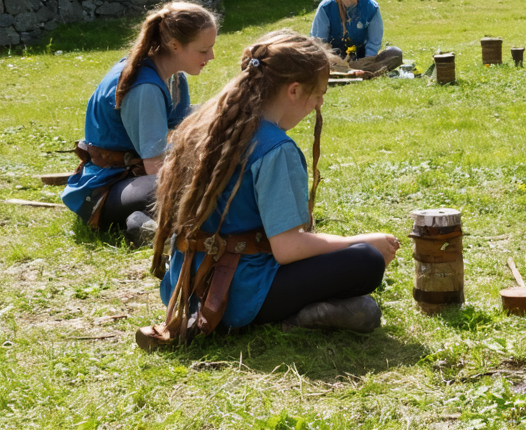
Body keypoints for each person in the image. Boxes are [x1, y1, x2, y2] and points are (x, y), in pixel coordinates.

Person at [137, 30, 400, 350]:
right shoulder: (276, 149)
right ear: (294, 90)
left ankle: (321, 311)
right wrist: (362, 241)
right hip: (235, 297)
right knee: (366, 261)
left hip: (188, 287)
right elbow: (287, 248)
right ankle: (300, 316)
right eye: (318, 94)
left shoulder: (205, 125)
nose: (319, 103)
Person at [62, 0, 218, 246]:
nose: (211, 56)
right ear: (174, 45)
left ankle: (142, 223)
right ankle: (143, 224)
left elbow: (182, 129)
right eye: (203, 50)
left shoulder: (173, 76)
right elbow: (155, 166)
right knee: (201, 184)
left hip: (135, 180)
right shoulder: (145, 88)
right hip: (107, 190)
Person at [311, 0, 402, 75]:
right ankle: (345, 71)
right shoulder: (326, 7)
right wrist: (333, 60)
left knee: (395, 54)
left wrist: (367, 61)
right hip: (332, 60)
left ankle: (358, 72)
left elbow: (374, 42)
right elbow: (318, 42)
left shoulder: (371, 7)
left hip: (361, 60)